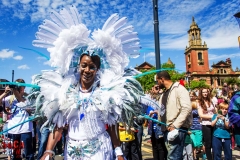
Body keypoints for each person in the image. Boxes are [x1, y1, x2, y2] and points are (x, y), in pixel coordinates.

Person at [20, 6, 144, 160]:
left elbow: (112, 126)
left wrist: (118, 151)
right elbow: (58, 126)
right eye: (84, 65)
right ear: (78, 66)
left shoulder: (105, 93)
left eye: (92, 67)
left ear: (97, 70)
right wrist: (49, 151)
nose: (87, 70)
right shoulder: (65, 93)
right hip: (72, 151)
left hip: (99, 149)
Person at [156, 71, 192, 160]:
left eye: (157, 81)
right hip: (166, 129)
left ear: (162, 79)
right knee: (173, 156)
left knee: (173, 157)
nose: (157, 83)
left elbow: (186, 108)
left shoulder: (179, 89)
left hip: (176, 129)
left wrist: (175, 125)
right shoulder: (164, 93)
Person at [0, 79, 34, 160]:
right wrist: (5, 93)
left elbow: (25, 105)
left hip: (25, 129)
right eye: (16, 86)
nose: (17, 87)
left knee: (28, 153)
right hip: (13, 129)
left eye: (19, 86)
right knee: (16, 154)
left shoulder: (28, 98)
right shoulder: (10, 98)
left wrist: (15, 91)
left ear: (23, 87)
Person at [197, 88, 216, 160]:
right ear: (201, 93)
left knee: (214, 143)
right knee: (208, 143)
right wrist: (212, 116)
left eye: (206, 92)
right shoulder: (199, 102)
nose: (205, 93)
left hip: (213, 123)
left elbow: (214, 111)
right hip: (206, 124)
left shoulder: (210, 101)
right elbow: (201, 115)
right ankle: (209, 158)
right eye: (203, 92)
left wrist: (216, 115)